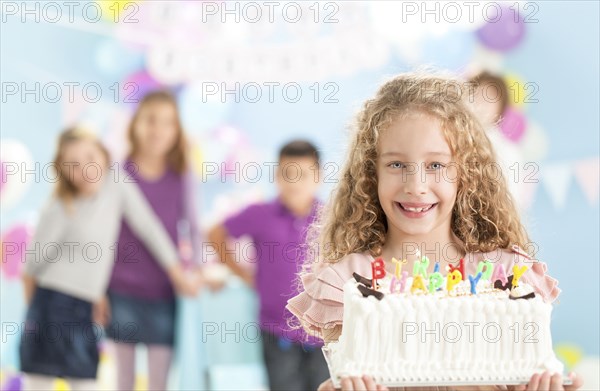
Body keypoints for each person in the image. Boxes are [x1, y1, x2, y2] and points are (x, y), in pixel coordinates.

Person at [286, 73, 583, 391]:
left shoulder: (509, 276)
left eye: (436, 165)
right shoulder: (350, 282)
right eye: (397, 165)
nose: (416, 186)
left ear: (465, 173)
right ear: (370, 173)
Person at [20, 127, 200, 391]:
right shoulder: (59, 207)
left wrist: (177, 273)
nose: (86, 168)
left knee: (85, 382)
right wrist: (34, 317)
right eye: (74, 164)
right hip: (50, 303)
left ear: (104, 155)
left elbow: (148, 227)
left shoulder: (117, 184)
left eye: (90, 156)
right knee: (39, 383)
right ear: (63, 171)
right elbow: (30, 270)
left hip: (83, 308)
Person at [208, 140, 330, 391]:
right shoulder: (261, 214)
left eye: (304, 174)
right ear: (276, 176)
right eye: (288, 173)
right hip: (277, 331)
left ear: (318, 177)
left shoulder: (332, 218)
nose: (295, 182)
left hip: (323, 334)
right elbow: (215, 234)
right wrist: (241, 273)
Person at [104, 91, 203, 391]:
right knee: (124, 379)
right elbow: (104, 233)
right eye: (150, 120)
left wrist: (196, 270)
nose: (157, 130)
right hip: (121, 289)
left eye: (167, 123)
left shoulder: (181, 174)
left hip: (163, 291)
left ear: (177, 130)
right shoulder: (118, 173)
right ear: (135, 125)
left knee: (159, 381)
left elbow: (194, 227)